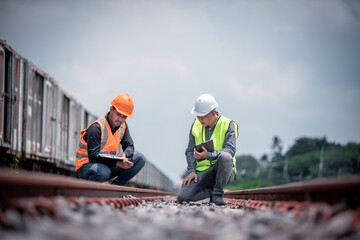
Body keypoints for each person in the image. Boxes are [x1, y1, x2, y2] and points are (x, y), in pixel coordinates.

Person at [177, 93, 238, 205]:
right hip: (202, 173)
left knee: (226, 157)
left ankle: (217, 194)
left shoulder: (228, 124)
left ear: (214, 114)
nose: (199, 119)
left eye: (203, 116)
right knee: (182, 197)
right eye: (198, 116)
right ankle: (212, 191)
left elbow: (230, 150)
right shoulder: (196, 125)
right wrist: (191, 171)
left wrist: (208, 156)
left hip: (222, 172)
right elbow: (190, 150)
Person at [75, 93, 145, 185]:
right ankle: (89, 189)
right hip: (87, 167)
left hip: (107, 165)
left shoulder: (122, 126)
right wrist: (117, 162)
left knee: (140, 158)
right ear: (111, 109)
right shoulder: (97, 127)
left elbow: (130, 145)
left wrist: (125, 154)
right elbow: (93, 157)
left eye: (124, 117)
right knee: (103, 171)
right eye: (118, 114)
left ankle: (116, 187)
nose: (120, 119)